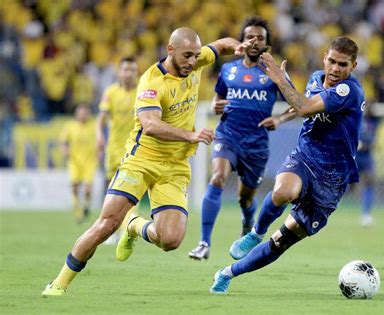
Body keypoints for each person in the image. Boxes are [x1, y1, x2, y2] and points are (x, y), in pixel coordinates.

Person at [42, 27, 256, 296]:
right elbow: (151, 125)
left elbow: (222, 45)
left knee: (171, 240)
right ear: (170, 50)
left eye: (195, 55)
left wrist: (237, 46)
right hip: (142, 160)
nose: (192, 61)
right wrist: (191, 135)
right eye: (186, 55)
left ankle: (134, 226)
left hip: (175, 167)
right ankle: (59, 283)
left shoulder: (197, 59)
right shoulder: (152, 81)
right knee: (106, 224)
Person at [210, 37, 365, 293]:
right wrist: (282, 116)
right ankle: (255, 233)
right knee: (284, 192)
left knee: (281, 241)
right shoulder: (317, 77)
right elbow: (303, 103)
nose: (336, 69)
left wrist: (280, 80)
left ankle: (227, 273)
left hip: (332, 179)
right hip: (306, 156)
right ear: (325, 57)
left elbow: (304, 106)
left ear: (353, 66)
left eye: (343, 64)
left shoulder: (348, 91)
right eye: (332, 61)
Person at [188, 16, 296, 261]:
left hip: (256, 145)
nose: (254, 41)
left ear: (267, 44)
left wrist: (278, 120)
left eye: (260, 38)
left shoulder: (273, 73)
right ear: (242, 40)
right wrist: (216, 106)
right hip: (228, 136)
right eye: (250, 37)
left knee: (244, 197)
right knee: (217, 178)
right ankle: (204, 243)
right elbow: (218, 100)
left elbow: (297, 104)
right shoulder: (228, 69)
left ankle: (248, 223)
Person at [96, 57, 139, 245]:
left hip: (136, 151)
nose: (128, 73)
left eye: (132, 70)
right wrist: (99, 135)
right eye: (125, 69)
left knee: (129, 193)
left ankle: (128, 227)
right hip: (114, 150)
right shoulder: (111, 92)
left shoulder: (142, 92)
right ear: (119, 72)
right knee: (110, 192)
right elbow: (101, 119)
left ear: (136, 73)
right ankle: (111, 230)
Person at [60, 104, 97, 223]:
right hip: (74, 161)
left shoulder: (94, 125)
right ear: (76, 114)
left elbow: (101, 139)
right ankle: (77, 211)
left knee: (87, 189)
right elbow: (63, 142)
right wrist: (64, 149)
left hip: (89, 161)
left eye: (85, 113)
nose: (83, 115)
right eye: (80, 113)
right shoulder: (70, 126)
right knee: (75, 186)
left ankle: (86, 206)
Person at [355, 102, 380, 226]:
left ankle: (366, 214)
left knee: (370, 183)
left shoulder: (374, 122)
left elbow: (373, 141)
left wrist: (368, 145)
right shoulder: (355, 119)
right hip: (354, 157)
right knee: (344, 186)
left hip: (367, 157)